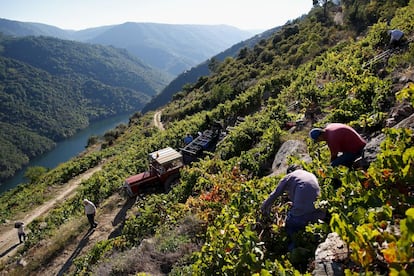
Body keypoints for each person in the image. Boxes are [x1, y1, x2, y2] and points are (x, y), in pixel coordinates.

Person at [261, 165, 326, 250]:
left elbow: (275, 194)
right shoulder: (310, 175)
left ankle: (292, 249)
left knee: (291, 224)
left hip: (302, 215)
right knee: (312, 228)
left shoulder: (288, 177)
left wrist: (264, 207)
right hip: (320, 213)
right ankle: (316, 243)